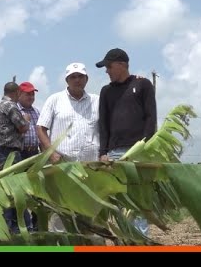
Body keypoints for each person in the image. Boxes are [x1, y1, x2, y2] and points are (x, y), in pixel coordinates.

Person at [96, 47, 157, 236]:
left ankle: (141, 241)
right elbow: (103, 123)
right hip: (114, 154)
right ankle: (125, 241)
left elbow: (150, 118)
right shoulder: (106, 91)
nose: (106, 71)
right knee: (121, 204)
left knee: (139, 202)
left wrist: (143, 148)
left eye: (109, 66)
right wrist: (103, 152)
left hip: (137, 152)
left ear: (122, 65)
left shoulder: (143, 85)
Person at [0, 82, 33, 233]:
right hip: (10, 152)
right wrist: (26, 119)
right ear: (18, 92)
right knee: (15, 190)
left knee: (6, 189)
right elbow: (22, 127)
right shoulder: (11, 106)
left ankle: (10, 226)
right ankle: (19, 227)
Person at [37, 63, 99, 163]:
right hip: (63, 164)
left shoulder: (97, 101)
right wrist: (51, 153)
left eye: (80, 76)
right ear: (67, 80)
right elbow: (41, 128)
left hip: (92, 164)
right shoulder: (54, 100)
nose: (77, 80)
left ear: (86, 79)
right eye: (73, 77)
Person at [17, 81, 41, 231]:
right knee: (21, 191)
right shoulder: (14, 111)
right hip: (20, 153)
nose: (31, 96)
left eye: (32, 94)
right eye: (28, 94)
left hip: (34, 154)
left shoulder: (37, 112)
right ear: (19, 94)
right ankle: (23, 226)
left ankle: (37, 225)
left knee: (37, 191)